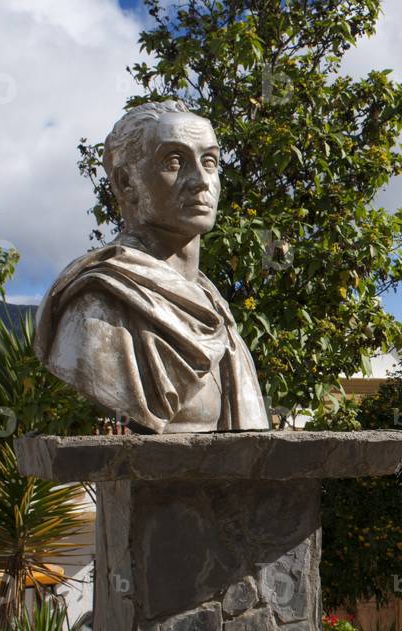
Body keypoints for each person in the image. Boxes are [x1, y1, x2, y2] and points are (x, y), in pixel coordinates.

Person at [34, 101, 268, 433]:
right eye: (175, 161)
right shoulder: (95, 309)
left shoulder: (218, 312)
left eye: (210, 162)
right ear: (126, 181)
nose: (201, 181)